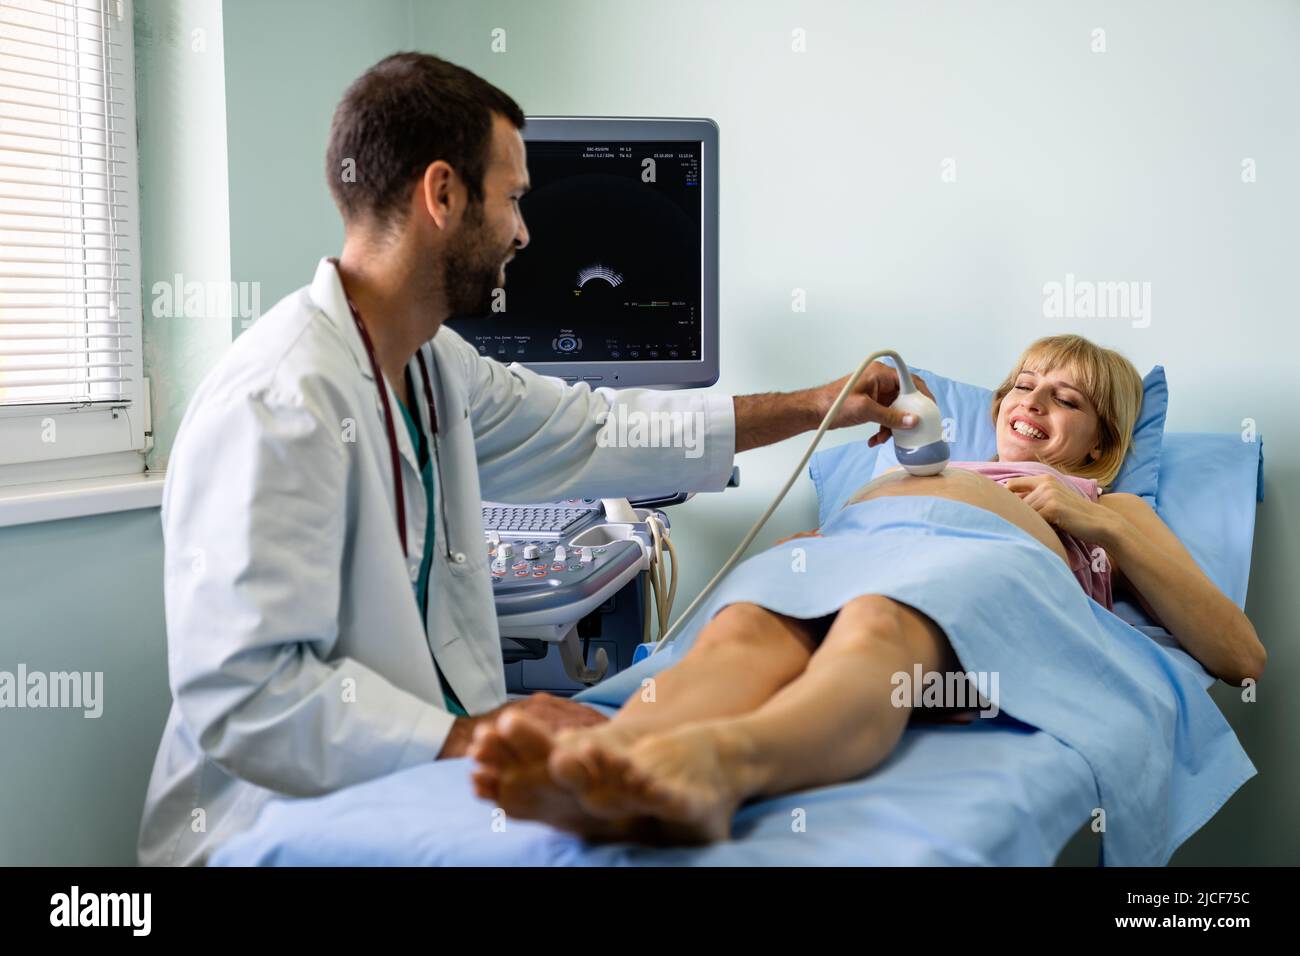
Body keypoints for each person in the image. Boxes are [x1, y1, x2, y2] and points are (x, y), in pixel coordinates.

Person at [137, 52, 927, 865]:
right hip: (274, 829)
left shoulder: (435, 364)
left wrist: (815, 406)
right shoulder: (279, 404)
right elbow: (246, 698)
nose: (524, 231)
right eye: (512, 198)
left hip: (417, 799)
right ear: (442, 195)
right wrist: (467, 736)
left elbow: (602, 430)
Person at [469, 334, 1267, 845]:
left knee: (879, 631)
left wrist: (1094, 523)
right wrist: (821, 546)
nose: (1034, 403)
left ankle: (724, 768)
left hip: (978, 574)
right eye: (1024, 385)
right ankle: (605, 761)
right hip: (854, 555)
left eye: (1069, 400)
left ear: (1103, 446)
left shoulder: (1110, 507)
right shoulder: (929, 464)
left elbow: (1241, 656)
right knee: (743, 626)